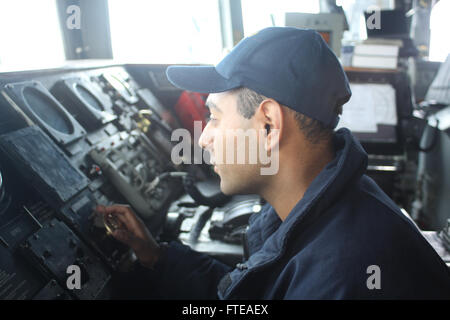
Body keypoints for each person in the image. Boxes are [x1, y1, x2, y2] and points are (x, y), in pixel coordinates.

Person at [96, 27, 450, 299]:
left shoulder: (340, 275)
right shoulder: (323, 209)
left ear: (268, 125)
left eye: (215, 118)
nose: (203, 139)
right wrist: (156, 256)